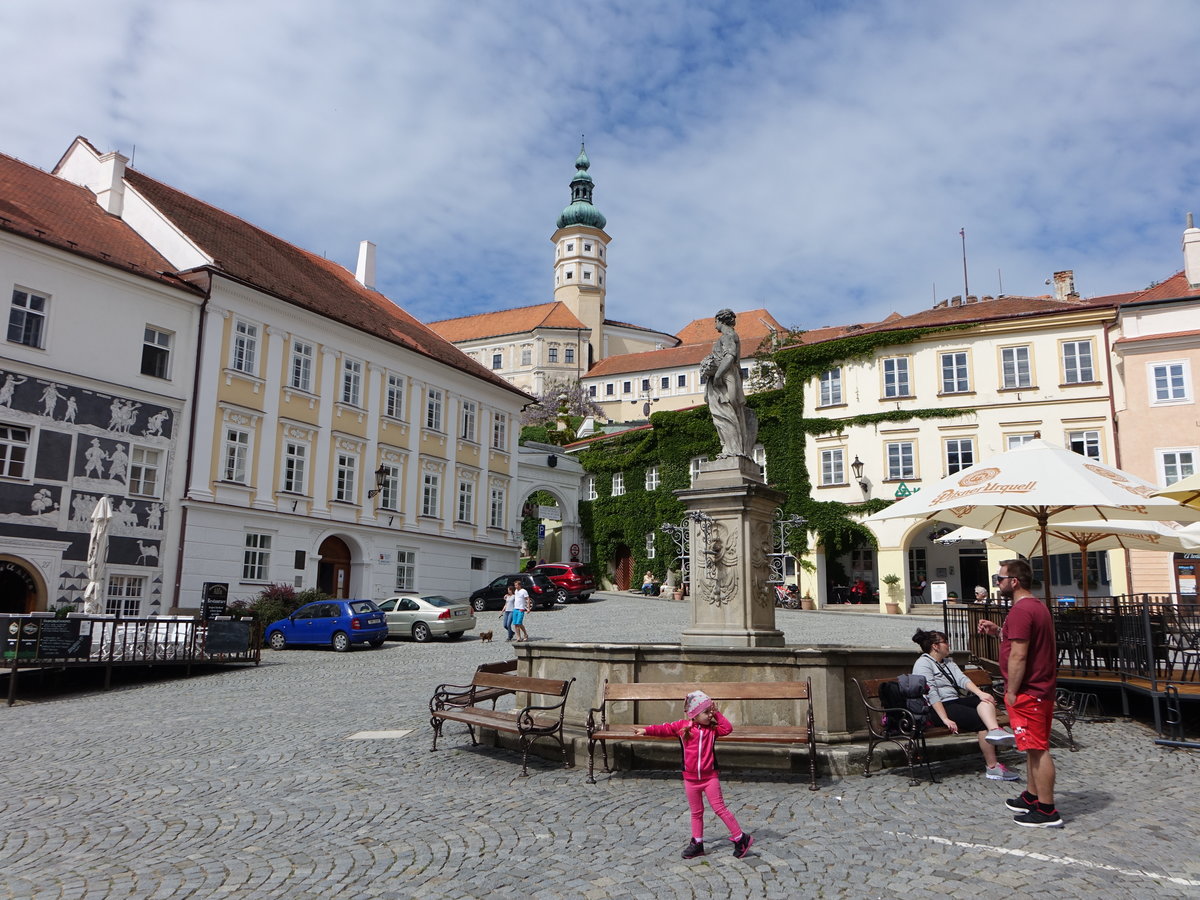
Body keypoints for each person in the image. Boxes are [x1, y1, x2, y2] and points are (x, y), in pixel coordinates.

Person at [978, 558, 1063, 827]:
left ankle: (1047, 810)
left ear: (1014, 581)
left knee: (1037, 748)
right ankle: (1032, 795)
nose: (997, 583)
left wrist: (1011, 691)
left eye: (999, 578)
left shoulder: (1021, 611)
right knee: (1030, 747)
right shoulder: (1036, 607)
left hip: (1029, 690)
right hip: (1040, 688)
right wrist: (999, 632)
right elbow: (1020, 641)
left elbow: (1019, 655)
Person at [634, 690, 754, 860]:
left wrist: (717, 713)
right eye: (706, 713)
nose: (709, 716)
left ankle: (741, 838)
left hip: (709, 777)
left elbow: (728, 728)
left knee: (720, 808)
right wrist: (646, 730)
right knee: (696, 812)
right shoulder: (683, 727)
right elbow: (664, 729)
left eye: (710, 712)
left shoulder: (713, 730)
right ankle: (697, 843)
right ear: (694, 714)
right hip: (690, 779)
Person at [911, 628, 1017, 781]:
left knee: (984, 700)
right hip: (937, 709)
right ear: (935, 646)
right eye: (945, 642)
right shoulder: (923, 664)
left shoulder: (947, 662)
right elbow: (931, 694)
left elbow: (962, 680)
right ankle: (993, 767)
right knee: (981, 722)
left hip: (954, 702)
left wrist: (980, 694)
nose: (948, 645)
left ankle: (995, 730)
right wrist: (945, 719)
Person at [700, 309, 758, 459]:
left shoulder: (728, 336)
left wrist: (718, 374)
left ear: (720, 320)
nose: (714, 326)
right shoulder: (732, 336)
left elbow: (730, 356)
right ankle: (733, 448)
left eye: (715, 322)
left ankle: (733, 449)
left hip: (725, 378)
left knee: (726, 414)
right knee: (730, 413)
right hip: (730, 377)